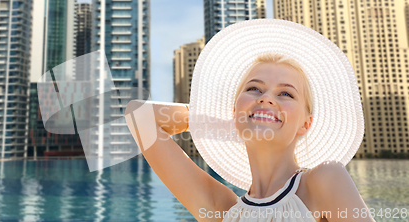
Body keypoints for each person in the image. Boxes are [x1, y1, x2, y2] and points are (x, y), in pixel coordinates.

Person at [124, 19, 374, 222]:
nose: (266, 98)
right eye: (254, 89)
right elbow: (139, 115)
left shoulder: (324, 181)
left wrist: (253, 119)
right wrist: (235, 122)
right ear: (234, 110)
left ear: (306, 124)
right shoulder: (222, 210)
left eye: (285, 93)